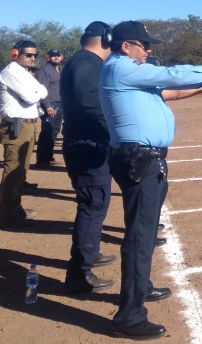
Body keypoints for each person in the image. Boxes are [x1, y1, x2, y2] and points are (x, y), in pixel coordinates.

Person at [100, 21, 202, 340]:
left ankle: (141, 287)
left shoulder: (128, 72)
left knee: (145, 230)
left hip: (147, 159)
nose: (149, 50)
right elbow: (172, 74)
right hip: (140, 159)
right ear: (126, 46)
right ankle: (130, 316)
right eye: (144, 45)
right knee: (139, 234)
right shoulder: (122, 68)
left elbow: (171, 90)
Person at [61, 22, 117, 293]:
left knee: (95, 205)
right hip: (87, 146)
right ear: (105, 39)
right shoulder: (87, 63)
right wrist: (115, 129)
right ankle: (79, 275)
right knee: (92, 207)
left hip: (85, 143)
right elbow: (89, 104)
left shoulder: (82, 61)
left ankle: (90, 253)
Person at [0, 40, 48, 229]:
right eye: (28, 55)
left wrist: (34, 91)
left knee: (21, 171)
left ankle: (14, 209)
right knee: (12, 171)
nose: (32, 58)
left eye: (34, 55)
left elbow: (42, 91)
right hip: (16, 125)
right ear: (15, 53)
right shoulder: (11, 72)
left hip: (28, 124)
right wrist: (35, 92)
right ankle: (7, 215)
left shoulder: (24, 73)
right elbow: (31, 97)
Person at [34, 48, 64, 168]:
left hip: (58, 105)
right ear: (48, 57)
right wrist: (47, 106)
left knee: (54, 131)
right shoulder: (44, 71)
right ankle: (42, 160)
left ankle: (48, 157)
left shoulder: (56, 70)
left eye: (58, 55)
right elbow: (41, 90)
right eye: (53, 56)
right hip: (50, 105)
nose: (56, 57)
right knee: (47, 131)